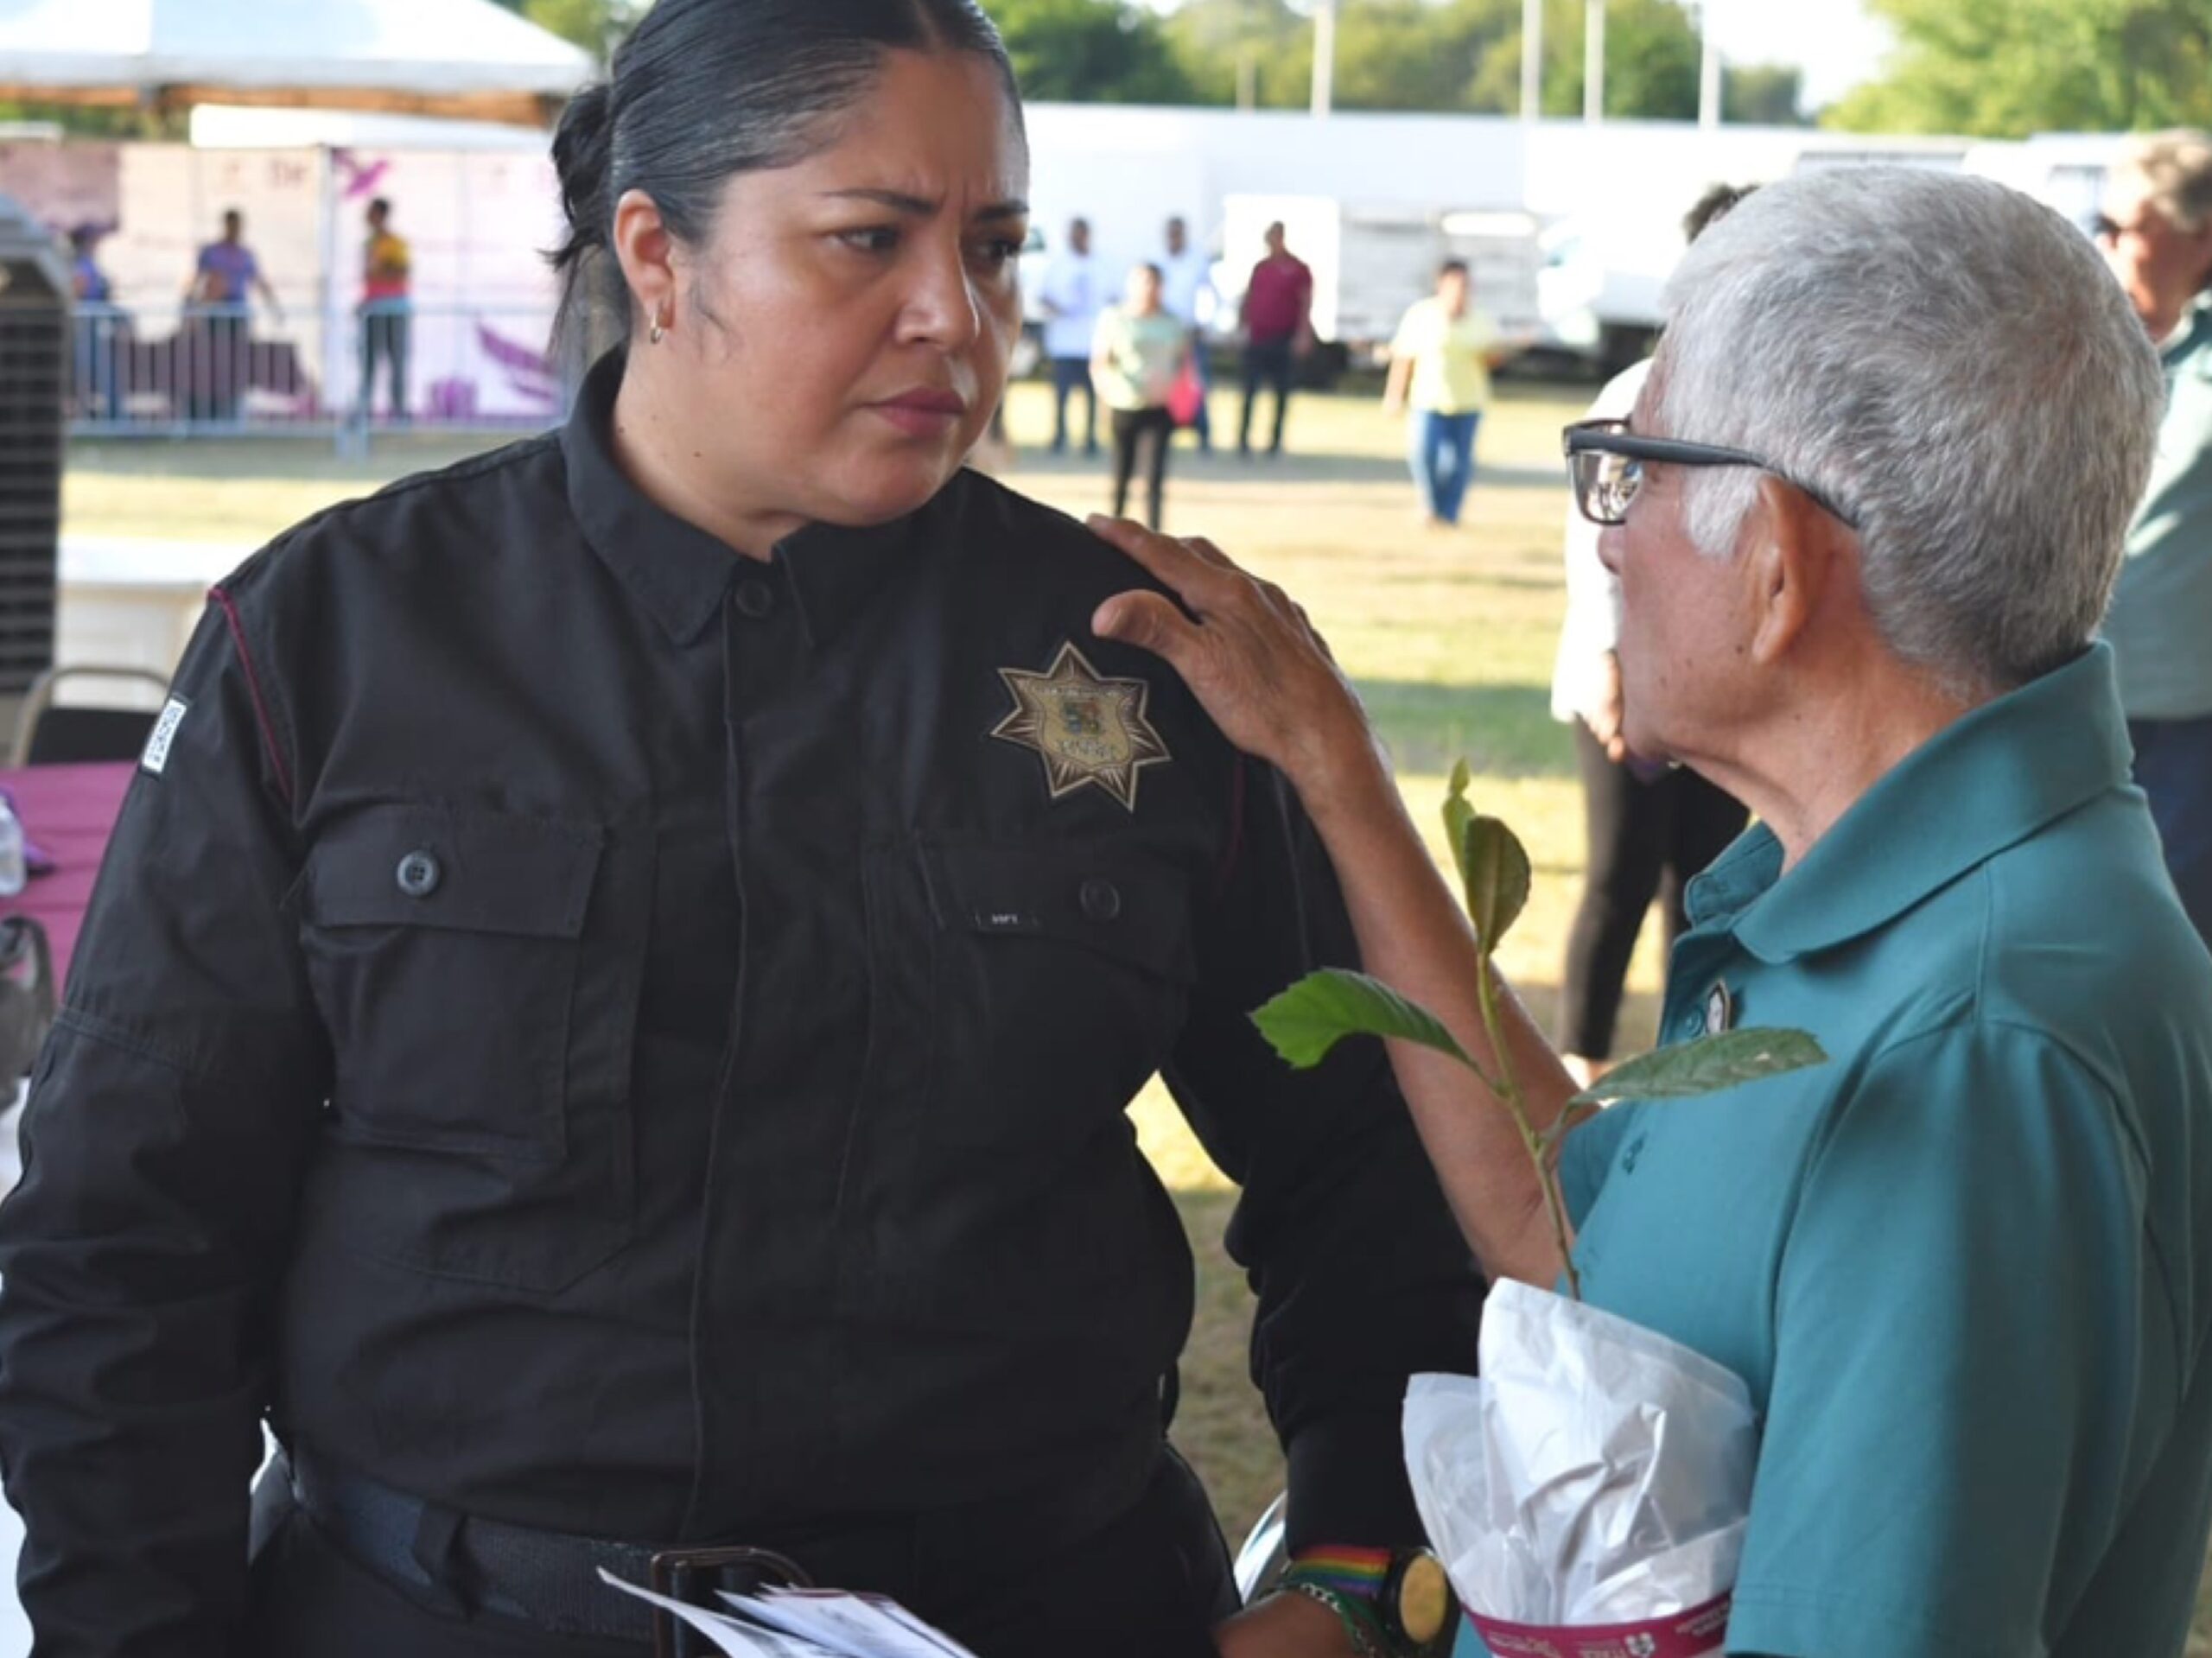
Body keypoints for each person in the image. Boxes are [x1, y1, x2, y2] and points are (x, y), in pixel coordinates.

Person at [0, 5, 1484, 1657]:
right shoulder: (342, 638)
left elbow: (1371, 1167)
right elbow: (124, 1238)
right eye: (870, 240)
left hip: (1040, 1602)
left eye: (993, 247)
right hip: (440, 1610)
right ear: (657, 253)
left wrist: (1360, 1570)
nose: (958, 316)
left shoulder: (1136, 650)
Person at [1090, 167, 2212, 1657]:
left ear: (1779, 567)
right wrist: (1335, 770)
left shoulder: (1970, 1045)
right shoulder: (1892, 895)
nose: (1608, 535)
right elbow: (1579, 1243)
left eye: (1636, 470)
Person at [1550, 185, 1754, 1088]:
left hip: (1726, 686)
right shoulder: (1638, 390)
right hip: (1625, 681)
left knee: (1708, 883)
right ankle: (1581, 1066)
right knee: (1618, 875)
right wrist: (1606, 663)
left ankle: (1691, 1064)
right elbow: (1592, 539)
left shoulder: (1770, 394)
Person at [2095, 130, 2212, 946]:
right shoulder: (2084, 340)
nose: (2103, 240)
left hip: (2185, 722)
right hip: (2067, 700)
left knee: (2164, 937)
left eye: (2125, 224)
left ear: (2200, 238)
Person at [1382, 260, 1501, 529]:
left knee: (1459, 464)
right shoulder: (1422, 315)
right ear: (1442, 285)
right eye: (1457, 284)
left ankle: (1449, 514)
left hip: (1468, 400)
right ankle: (1431, 506)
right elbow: (1404, 359)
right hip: (1428, 398)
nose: (1462, 290)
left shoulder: (1480, 318)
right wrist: (1393, 396)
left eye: (1466, 285)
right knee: (1424, 457)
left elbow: (1492, 358)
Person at [1092, 261, 1188, 530]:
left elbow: (1183, 362)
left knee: (1155, 477)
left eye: (1154, 282)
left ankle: (1155, 532)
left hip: (1159, 407)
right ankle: (1115, 529)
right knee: (1122, 473)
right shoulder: (1116, 318)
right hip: (1125, 404)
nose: (1149, 288)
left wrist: (1175, 389)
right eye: (1143, 282)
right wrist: (1108, 391)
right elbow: (1101, 362)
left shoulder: (1172, 322)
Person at [185, 207, 283, 422]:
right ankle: (209, 412)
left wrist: (274, 307)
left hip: (238, 315)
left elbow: (260, 282)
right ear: (226, 225)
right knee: (211, 362)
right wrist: (190, 308)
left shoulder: (246, 254)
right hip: (214, 314)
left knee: (237, 364)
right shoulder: (211, 252)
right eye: (232, 224)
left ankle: (233, 412)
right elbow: (197, 280)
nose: (235, 229)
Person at [1237, 221, 1312, 460]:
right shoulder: (1261, 268)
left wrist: (1303, 334)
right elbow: (1249, 297)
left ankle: (1275, 441)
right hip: (1258, 337)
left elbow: (1305, 303)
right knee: (1250, 390)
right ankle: (1243, 440)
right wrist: (1242, 325)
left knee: (1281, 392)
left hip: (1283, 337)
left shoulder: (1298, 269)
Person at [1038, 213, 1100, 456]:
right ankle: (1059, 437)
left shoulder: (1100, 264)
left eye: (1081, 234)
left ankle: (1090, 439)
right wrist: (1058, 307)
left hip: (1092, 341)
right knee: (1061, 394)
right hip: (1064, 341)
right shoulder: (1058, 264)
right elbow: (1044, 296)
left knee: (1091, 396)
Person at [1160, 214, 1217, 453]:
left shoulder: (1197, 261)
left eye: (1178, 233)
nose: (1174, 238)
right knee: (1163, 385)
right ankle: (1164, 431)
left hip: (1189, 333)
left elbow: (1210, 295)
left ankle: (1203, 434)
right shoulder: (1157, 260)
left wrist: (1202, 325)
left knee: (1196, 384)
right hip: (1160, 334)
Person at [359, 195, 413, 423]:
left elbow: (401, 272)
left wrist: (380, 270)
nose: (367, 217)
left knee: (396, 360)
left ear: (381, 215)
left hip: (394, 310)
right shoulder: (369, 244)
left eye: (371, 212)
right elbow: (371, 278)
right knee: (369, 361)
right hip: (372, 310)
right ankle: (365, 412)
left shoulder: (396, 243)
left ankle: (398, 412)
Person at [67, 224, 123, 422]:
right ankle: (111, 419)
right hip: (84, 325)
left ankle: (105, 417)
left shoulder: (87, 262)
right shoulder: (81, 263)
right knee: (93, 372)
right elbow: (77, 290)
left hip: (91, 325)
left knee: (92, 373)